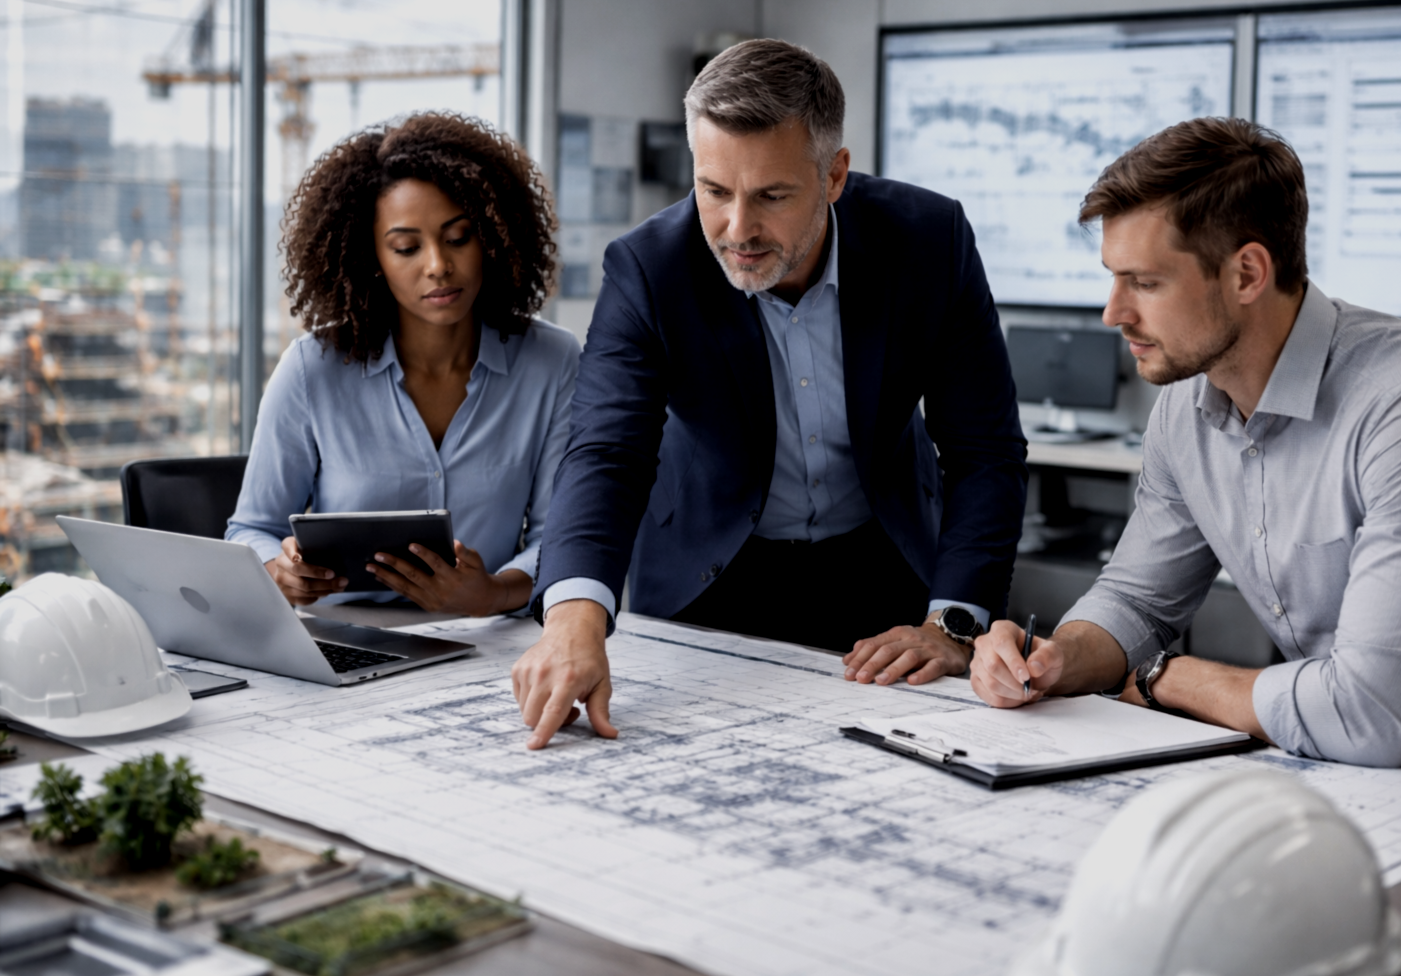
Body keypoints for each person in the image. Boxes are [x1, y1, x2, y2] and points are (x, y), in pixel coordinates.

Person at [971, 117, 1401, 772]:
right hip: (1342, 766)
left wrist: (1164, 677)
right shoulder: (1185, 405)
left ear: (1246, 273)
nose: (1113, 312)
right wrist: (1056, 657)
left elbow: (1373, 714)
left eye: (1145, 282)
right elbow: (1137, 599)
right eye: (1113, 277)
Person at [512, 39, 1028, 749]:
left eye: (772, 196)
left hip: (884, 570)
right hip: (712, 576)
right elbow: (606, 451)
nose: (736, 229)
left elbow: (983, 450)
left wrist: (953, 623)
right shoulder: (649, 267)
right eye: (713, 191)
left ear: (835, 174)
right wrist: (573, 621)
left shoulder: (928, 242)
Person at [227, 112, 577, 617]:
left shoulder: (552, 362)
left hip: (490, 642)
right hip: (343, 641)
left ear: (494, 239)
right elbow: (251, 529)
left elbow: (560, 536)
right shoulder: (311, 369)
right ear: (372, 258)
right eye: (406, 248)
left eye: (458, 237)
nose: (438, 265)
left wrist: (495, 593)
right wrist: (278, 572)